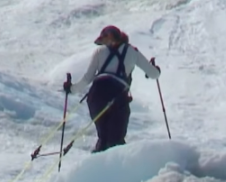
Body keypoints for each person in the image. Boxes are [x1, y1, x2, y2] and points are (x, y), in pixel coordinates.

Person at [64, 25, 161, 153]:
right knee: (116, 140)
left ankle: (98, 164)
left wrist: (71, 89)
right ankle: (116, 166)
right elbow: (154, 74)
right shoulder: (132, 51)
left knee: (103, 137)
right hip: (118, 95)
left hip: (96, 95)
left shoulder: (100, 52)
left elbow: (88, 78)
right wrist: (155, 70)